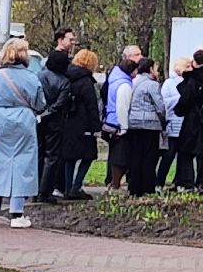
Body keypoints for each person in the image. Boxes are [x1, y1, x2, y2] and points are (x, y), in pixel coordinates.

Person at [0, 38, 46, 229]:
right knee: (22, 164)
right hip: (24, 122)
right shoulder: (32, 77)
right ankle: (17, 213)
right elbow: (40, 104)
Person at [173, 49, 203, 192]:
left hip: (193, 121)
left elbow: (185, 100)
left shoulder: (194, 79)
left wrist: (178, 110)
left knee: (186, 153)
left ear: (194, 62)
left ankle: (188, 183)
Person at [62, 48, 101, 200]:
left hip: (68, 122)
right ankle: (76, 186)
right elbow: (92, 106)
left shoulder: (67, 77)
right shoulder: (86, 82)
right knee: (88, 156)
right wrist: (96, 127)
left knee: (70, 157)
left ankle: (67, 188)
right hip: (83, 125)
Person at [102, 46, 142, 189]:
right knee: (120, 156)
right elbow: (122, 106)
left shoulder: (114, 78)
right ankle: (115, 183)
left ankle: (113, 181)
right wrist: (124, 127)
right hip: (119, 124)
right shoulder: (124, 85)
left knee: (115, 155)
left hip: (111, 121)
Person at [127, 58, 166, 197]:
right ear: (150, 69)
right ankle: (148, 186)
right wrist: (163, 121)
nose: (157, 71)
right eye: (155, 68)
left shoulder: (133, 82)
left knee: (136, 155)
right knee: (149, 156)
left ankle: (134, 186)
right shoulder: (152, 85)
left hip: (134, 122)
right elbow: (160, 105)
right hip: (149, 123)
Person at [36, 50, 71, 204]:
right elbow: (60, 103)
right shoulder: (64, 82)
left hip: (38, 119)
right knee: (51, 156)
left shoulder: (40, 76)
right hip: (55, 122)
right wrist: (49, 112)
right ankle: (44, 191)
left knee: (39, 153)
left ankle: (35, 188)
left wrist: (40, 113)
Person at [156, 56, 189, 189]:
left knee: (183, 156)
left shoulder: (189, 82)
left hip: (185, 125)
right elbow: (164, 103)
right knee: (168, 155)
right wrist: (180, 98)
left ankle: (179, 181)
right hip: (173, 124)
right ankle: (160, 181)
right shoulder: (169, 83)